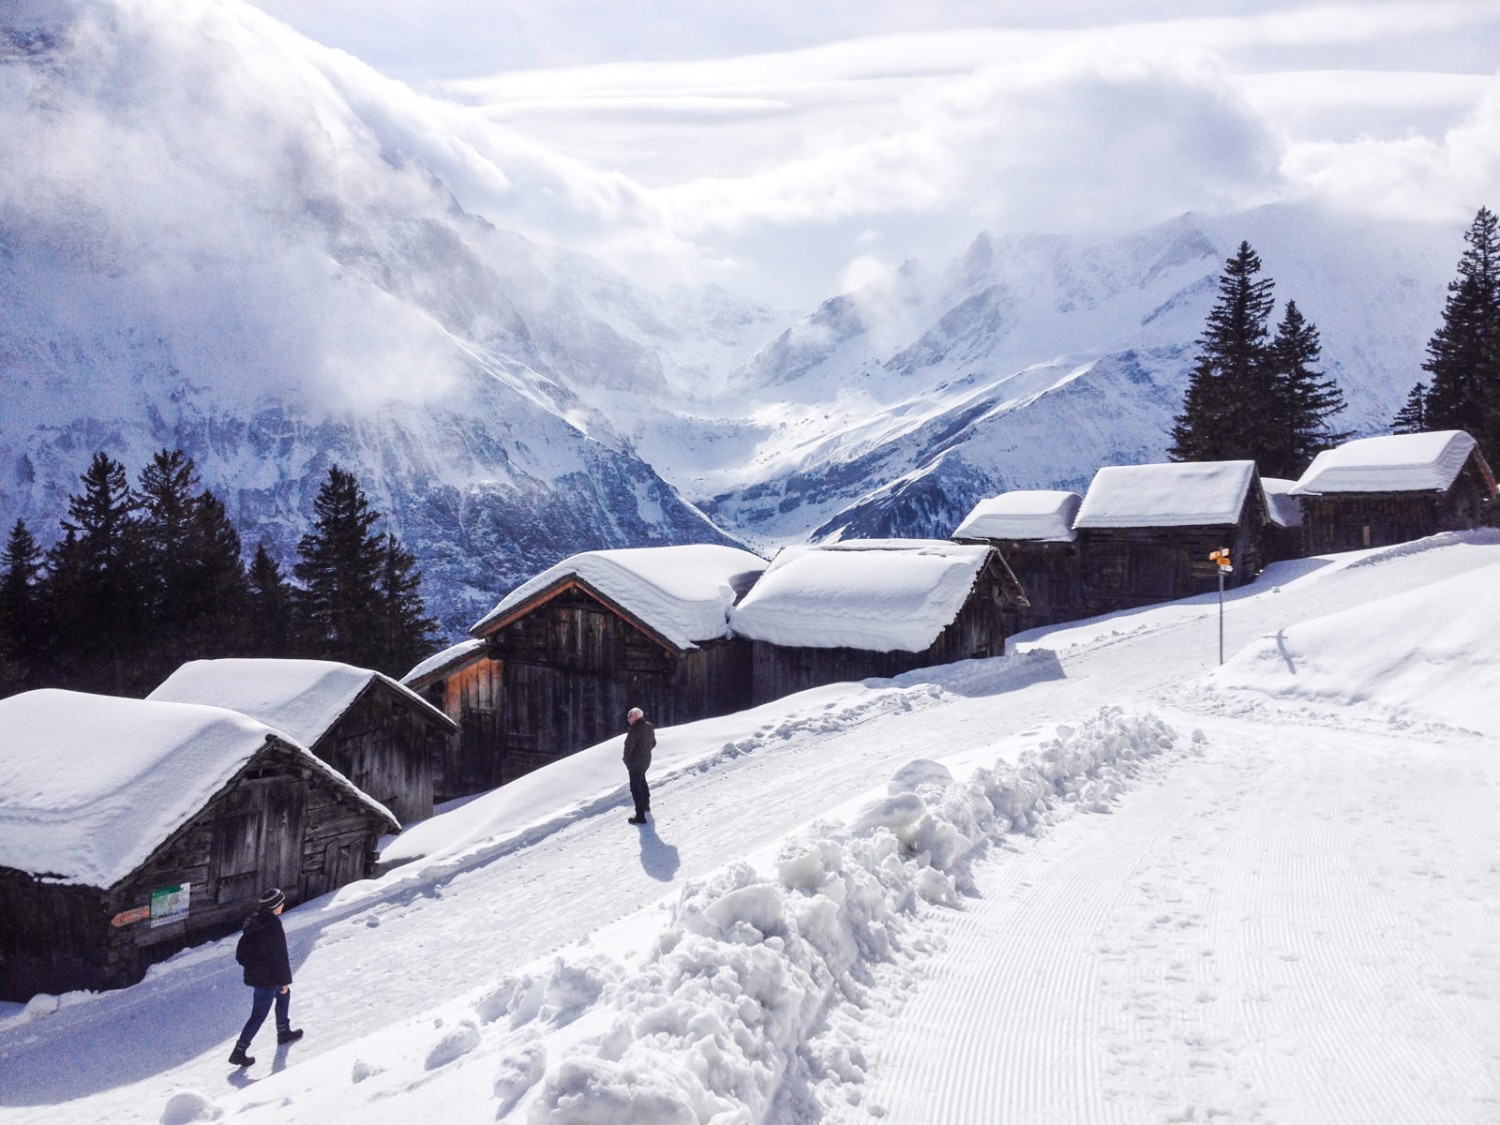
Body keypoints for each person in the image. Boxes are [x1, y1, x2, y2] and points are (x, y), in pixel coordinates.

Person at [228, 887, 302, 1067]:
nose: (283, 905)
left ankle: (283, 1031)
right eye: (280, 903)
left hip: (262, 976)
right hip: (268, 979)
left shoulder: (254, 922)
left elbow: (241, 955)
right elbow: (279, 956)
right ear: (274, 907)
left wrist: (255, 969)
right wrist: (283, 980)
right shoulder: (272, 926)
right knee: (259, 1014)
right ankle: (239, 1051)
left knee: (284, 995)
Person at [622, 705, 655, 825]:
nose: (628, 719)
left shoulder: (634, 730)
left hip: (635, 763)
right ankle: (646, 805)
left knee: (635, 788)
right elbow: (653, 743)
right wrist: (645, 751)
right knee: (642, 781)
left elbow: (628, 748)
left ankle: (640, 815)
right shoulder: (649, 726)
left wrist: (626, 760)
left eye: (629, 717)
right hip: (646, 761)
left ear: (635, 717)